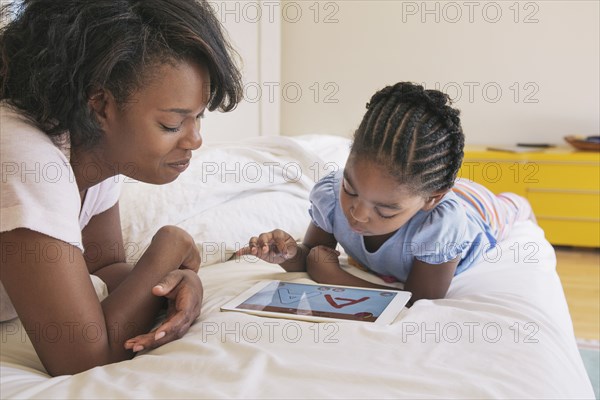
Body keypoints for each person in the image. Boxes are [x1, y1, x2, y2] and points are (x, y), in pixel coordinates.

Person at [0, 0, 242, 376]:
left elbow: (104, 267)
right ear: (100, 106)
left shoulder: (91, 148)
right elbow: (81, 359)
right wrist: (170, 246)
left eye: (197, 118)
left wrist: (177, 282)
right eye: (171, 125)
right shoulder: (25, 158)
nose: (194, 140)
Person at [239, 82, 533, 304]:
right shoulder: (330, 197)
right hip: (427, 193)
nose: (358, 213)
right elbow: (311, 256)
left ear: (431, 199)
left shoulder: (440, 228)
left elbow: (417, 301)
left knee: (510, 206)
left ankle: (521, 204)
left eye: (385, 210)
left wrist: (337, 278)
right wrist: (289, 254)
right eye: (350, 189)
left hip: (477, 209)